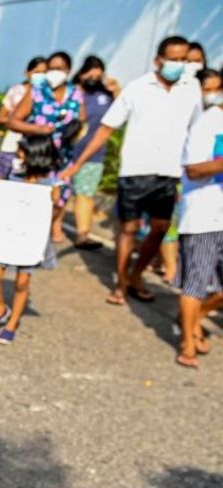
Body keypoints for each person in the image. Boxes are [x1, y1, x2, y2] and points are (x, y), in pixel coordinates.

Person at [62, 36, 202, 306]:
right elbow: (106, 128)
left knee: (160, 228)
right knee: (128, 229)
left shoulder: (191, 88)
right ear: (158, 60)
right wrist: (78, 164)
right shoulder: (137, 89)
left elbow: (197, 132)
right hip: (135, 172)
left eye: (184, 59)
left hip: (170, 173)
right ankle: (121, 283)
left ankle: (136, 275)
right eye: (174, 58)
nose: (180, 64)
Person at [0, 135, 60, 344]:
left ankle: (12, 322)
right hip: (6, 233)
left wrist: (56, 203)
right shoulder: (14, 175)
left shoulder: (50, 184)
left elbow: (53, 214)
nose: (18, 154)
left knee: (23, 281)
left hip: (30, 238)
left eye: (22, 151)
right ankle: (0, 308)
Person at [7, 51, 86, 244]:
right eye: (51, 68)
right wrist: (38, 129)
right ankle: (22, 237)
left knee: (58, 201)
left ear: (68, 70)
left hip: (63, 159)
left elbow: (82, 121)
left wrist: (74, 130)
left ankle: (42, 232)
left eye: (59, 69)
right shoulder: (36, 91)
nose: (54, 73)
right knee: (29, 200)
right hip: (37, 158)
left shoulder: (76, 94)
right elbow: (13, 121)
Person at [175, 83, 223, 368]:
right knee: (195, 284)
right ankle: (187, 344)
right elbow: (193, 169)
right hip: (204, 216)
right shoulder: (208, 123)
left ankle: (197, 316)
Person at [70, 55, 120, 250]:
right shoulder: (72, 92)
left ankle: (83, 234)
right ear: (81, 74)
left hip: (93, 155)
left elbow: (120, 115)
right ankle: (53, 227)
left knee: (85, 193)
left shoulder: (105, 96)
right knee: (59, 195)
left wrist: (117, 92)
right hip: (67, 153)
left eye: (98, 76)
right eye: (90, 74)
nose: (94, 79)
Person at [0, 57, 47, 179]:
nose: (40, 76)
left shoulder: (47, 95)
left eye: (44, 72)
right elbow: (1, 118)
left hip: (35, 147)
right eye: (37, 72)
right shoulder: (16, 91)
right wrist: (19, 122)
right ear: (27, 73)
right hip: (12, 143)